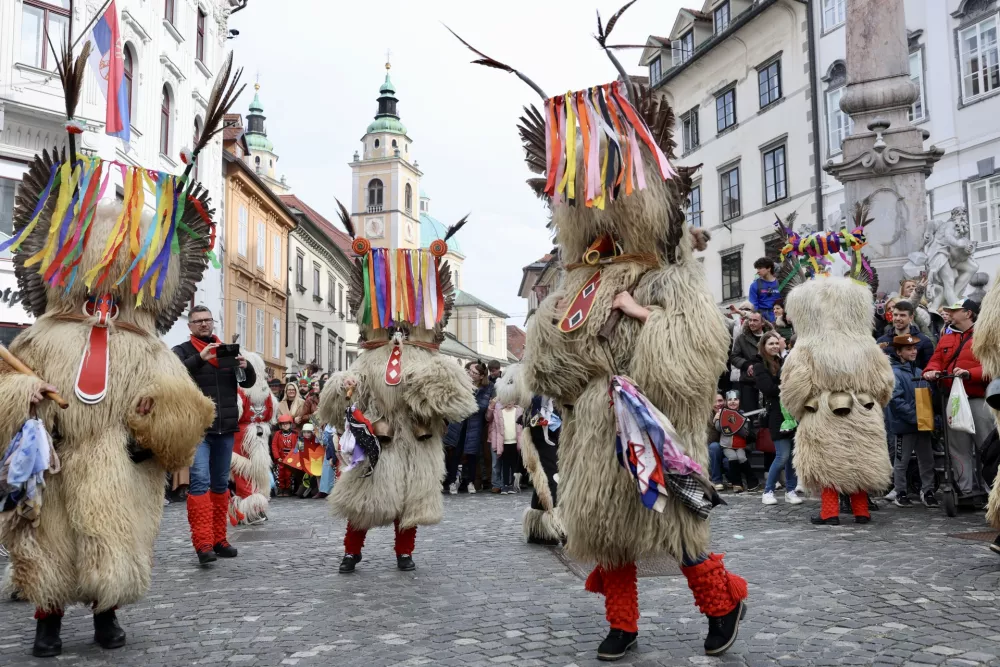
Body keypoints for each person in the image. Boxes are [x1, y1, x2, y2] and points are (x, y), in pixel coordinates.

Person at [783, 277, 894, 527]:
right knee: (859, 460)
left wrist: (799, 410)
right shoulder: (867, 344)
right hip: (863, 409)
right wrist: (874, 404)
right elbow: (884, 383)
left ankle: (830, 513)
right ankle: (862, 512)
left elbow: (795, 384)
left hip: (823, 411)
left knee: (827, 462)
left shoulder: (807, 345)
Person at [173, 306, 256, 564]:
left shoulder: (226, 350)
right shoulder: (182, 351)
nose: (203, 324)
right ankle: (203, 543)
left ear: (213, 323)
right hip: (198, 428)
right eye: (198, 321)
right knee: (199, 482)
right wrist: (200, 358)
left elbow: (247, 383)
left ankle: (220, 539)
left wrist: (247, 367)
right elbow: (174, 375)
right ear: (190, 326)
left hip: (225, 427)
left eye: (207, 320)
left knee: (220, 484)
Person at [923, 299, 991, 498]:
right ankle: (965, 491)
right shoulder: (946, 337)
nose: (949, 313)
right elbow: (935, 361)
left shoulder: (986, 336)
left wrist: (970, 373)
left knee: (987, 446)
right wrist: (931, 371)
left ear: (968, 313)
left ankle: (993, 491)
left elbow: (993, 367)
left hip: (978, 398)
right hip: (953, 399)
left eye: (955, 310)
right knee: (957, 448)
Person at [886, 335, 937, 508]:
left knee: (927, 460)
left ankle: (928, 491)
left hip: (922, 424)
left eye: (915, 348)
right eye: (909, 349)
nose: (913, 351)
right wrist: (916, 418)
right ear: (899, 352)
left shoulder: (920, 372)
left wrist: (928, 417)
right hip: (904, 426)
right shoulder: (893, 373)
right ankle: (900, 492)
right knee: (902, 461)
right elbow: (896, 401)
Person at [229, 351, 277, 526]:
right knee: (255, 472)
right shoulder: (265, 391)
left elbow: (235, 414)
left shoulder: (240, 390)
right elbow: (271, 415)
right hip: (258, 435)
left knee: (246, 473)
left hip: (244, 436)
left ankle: (249, 510)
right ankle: (253, 509)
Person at [755, 332, 801, 506]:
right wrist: (786, 384)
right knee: (782, 456)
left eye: (776, 343)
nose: (774, 346)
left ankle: (791, 490)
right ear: (763, 346)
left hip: (791, 413)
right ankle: (768, 491)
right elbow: (769, 389)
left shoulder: (782, 362)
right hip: (776, 416)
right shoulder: (759, 365)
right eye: (770, 344)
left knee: (792, 457)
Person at [444, 361, 494, 494]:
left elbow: (482, 406)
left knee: (472, 454)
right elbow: (454, 401)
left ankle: (470, 482)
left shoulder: (488, 387)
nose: (471, 374)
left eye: (474, 373)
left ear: (481, 376)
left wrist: (468, 404)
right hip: (458, 423)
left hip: (474, 425)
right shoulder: (461, 383)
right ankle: (452, 482)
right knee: (455, 453)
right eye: (470, 371)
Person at [488, 367, 524, 494]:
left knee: (513, 464)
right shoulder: (499, 408)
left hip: (514, 441)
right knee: (500, 464)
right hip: (500, 439)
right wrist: (491, 406)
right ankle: (500, 485)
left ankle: (511, 485)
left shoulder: (518, 409)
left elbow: (520, 426)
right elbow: (491, 421)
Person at [714, 391, 757, 492]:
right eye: (730, 399)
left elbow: (745, 433)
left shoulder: (744, 415)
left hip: (740, 445)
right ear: (726, 402)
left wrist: (736, 423)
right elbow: (719, 428)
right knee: (732, 458)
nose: (733, 402)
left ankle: (752, 480)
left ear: (739, 401)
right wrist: (717, 419)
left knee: (742, 458)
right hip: (727, 445)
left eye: (735, 399)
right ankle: (736, 483)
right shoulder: (722, 413)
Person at [730, 311, 772, 413]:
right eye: (750, 320)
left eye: (755, 320)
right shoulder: (741, 338)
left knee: (769, 412)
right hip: (748, 381)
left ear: (763, 322)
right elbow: (734, 357)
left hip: (769, 381)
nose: (751, 323)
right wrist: (746, 365)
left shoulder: (772, 337)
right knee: (750, 413)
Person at [876, 301, 934, 368]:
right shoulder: (882, 341)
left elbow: (928, 368)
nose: (898, 318)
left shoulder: (923, 341)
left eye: (902, 315)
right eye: (895, 315)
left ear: (911, 318)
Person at [270, 415, 298, 496]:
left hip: (290, 458)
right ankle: (281, 488)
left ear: (290, 424)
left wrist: (295, 456)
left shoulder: (295, 434)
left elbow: (297, 446)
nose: (285, 425)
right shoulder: (277, 434)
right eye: (283, 424)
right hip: (281, 458)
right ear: (280, 425)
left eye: (287, 424)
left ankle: (288, 489)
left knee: (289, 474)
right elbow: (274, 445)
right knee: (280, 474)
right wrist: (277, 457)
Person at [749, 258, 780, 322]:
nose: (758, 271)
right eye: (757, 269)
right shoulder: (754, 285)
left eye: (760, 268)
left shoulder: (780, 283)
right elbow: (754, 306)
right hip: (763, 321)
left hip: (780, 319)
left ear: (769, 268)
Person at [708, 393, 726, 491]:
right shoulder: (707, 416)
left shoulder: (730, 412)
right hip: (714, 450)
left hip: (729, 449)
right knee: (714, 447)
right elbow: (710, 440)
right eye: (714, 401)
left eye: (720, 401)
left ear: (724, 401)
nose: (718, 404)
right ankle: (717, 481)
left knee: (728, 462)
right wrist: (714, 422)